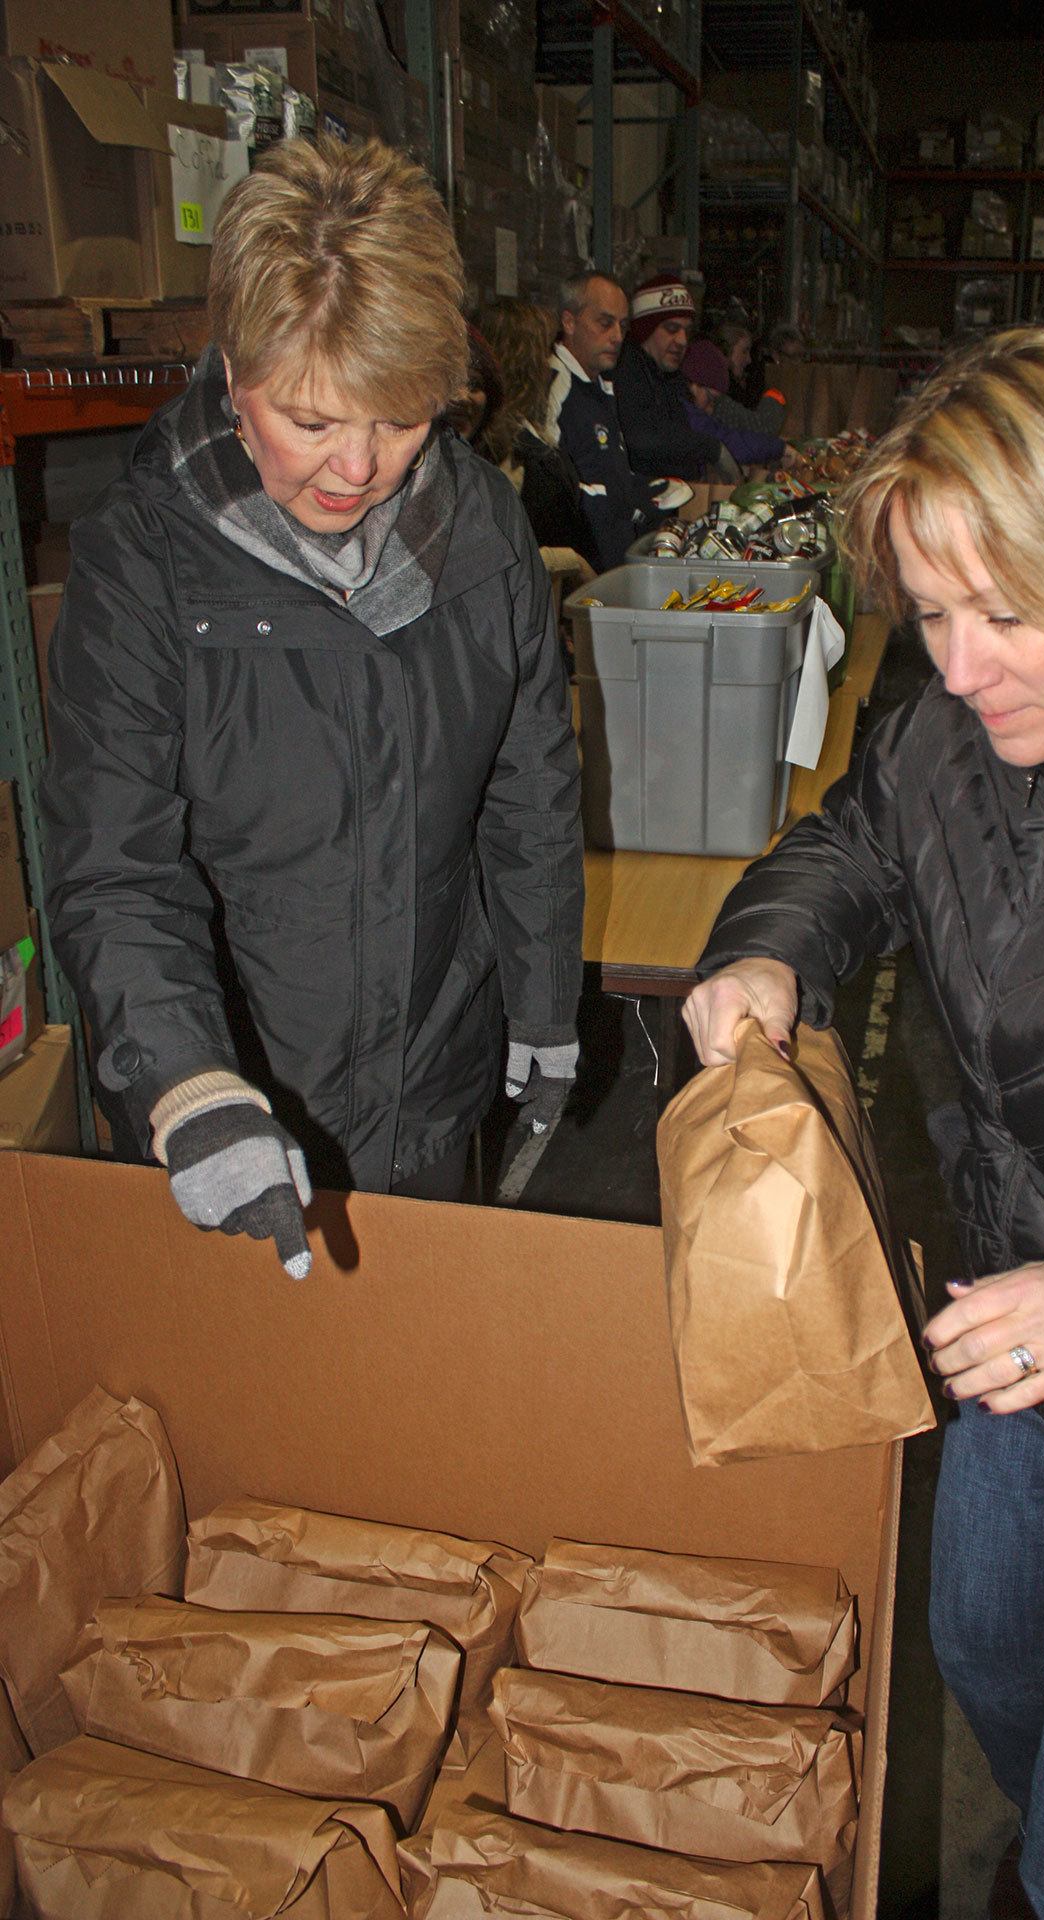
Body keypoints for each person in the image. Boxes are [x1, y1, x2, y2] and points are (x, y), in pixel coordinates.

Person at [681, 327, 1044, 1920]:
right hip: (1012, 1312)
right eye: (933, 613)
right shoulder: (961, 729)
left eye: (1007, 612)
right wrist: (769, 942)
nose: (958, 665)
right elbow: (864, 840)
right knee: (988, 1660)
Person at [40, 137, 584, 1276]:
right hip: (240, 1097)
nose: (355, 467)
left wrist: (540, 1003)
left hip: (436, 1074)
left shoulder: (481, 530)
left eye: (396, 419)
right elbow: (116, 866)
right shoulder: (146, 561)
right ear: (232, 373)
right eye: (309, 419)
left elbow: (525, 793)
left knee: (417, 1397)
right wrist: (187, 1088)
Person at [546, 270, 663, 570]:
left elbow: (606, 471)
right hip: (582, 578)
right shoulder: (554, 387)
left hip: (617, 566)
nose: (617, 337)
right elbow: (548, 493)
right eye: (605, 323)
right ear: (569, 322)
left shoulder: (602, 388)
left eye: (623, 326)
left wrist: (641, 492)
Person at [476, 297, 597, 566]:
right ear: (527, 363)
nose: (550, 362)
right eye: (546, 352)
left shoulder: (483, 440)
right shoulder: (525, 457)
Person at [613, 273, 730, 483]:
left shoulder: (668, 378)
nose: (682, 341)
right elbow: (643, 439)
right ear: (645, 329)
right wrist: (712, 449)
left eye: (687, 331)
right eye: (672, 329)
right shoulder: (625, 372)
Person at [680, 340, 790, 470]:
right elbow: (729, 441)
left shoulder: (687, 408)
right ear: (693, 385)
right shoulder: (686, 415)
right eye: (711, 399)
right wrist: (781, 448)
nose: (711, 409)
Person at [711, 318, 787, 437]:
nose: (748, 360)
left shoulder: (735, 388)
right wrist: (775, 395)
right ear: (726, 351)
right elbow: (760, 427)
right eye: (744, 352)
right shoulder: (717, 396)